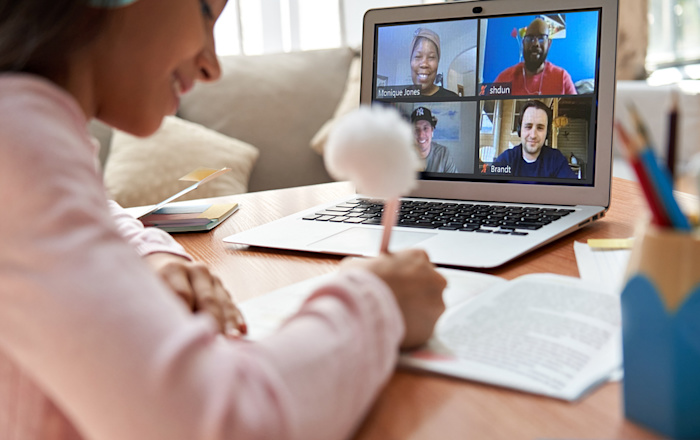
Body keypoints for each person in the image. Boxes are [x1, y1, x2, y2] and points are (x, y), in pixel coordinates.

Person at [0, 1, 447, 440]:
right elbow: (215, 424)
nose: (211, 66)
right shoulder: (18, 144)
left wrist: (151, 258)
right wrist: (378, 301)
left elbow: (95, 213)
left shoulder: (25, 125)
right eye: (206, 12)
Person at [490, 100, 577, 178]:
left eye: (540, 128)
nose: (533, 135)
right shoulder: (506, 159)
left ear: (547, 133)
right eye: (528, 127)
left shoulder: (556, 160)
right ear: (520, 130)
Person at [494, 18, 577, 96]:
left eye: (541, 38)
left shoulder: (562, 78)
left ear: (548, 44)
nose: (535, 44)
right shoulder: (504, 78)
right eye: (530, 38)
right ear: (523, 43)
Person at [410, 28, 459, 98]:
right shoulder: (397, 98)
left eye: (431, 57)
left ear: (438, 62)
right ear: (410, 61)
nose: (424, 64)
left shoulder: (452, 98)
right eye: (418, 56)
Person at [411, 107, 459, 173]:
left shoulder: (443, 153)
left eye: (425, 128)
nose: (421, 135)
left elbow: (454, 182)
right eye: (416, 129)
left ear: (432, 130)